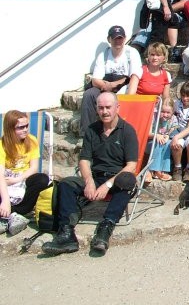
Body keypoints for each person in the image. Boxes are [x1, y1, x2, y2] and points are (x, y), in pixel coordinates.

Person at [42, 92, 138, 256]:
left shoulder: (127, 131)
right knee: (66, 184)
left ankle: (105, 227)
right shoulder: (92, 130)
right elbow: (84, 160)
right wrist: (89, 181)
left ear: (117, 108)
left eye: (108, 107)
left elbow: (131, 165)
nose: (105, 111)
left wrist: (107, 185)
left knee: (128, 180)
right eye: (101, 108)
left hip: (117, 179)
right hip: (96, 176)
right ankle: (67, 232)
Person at [80, 26, 141, 134]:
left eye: (120, 38)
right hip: (105, 86)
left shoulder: (132, 53)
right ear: (109, 39)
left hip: (124, 86)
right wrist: (107, 86)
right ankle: (86, 133)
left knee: (119, 98)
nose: (118, 41)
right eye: (115, 38)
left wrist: (128, 97)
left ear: (125, 38)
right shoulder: (103, 55)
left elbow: (134, 77)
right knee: (89, 94)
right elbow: (95, 80)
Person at [0, 110, 50, 236]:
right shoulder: (2, 145)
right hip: (5, 181)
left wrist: (17, 179)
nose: (26, 129)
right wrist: (5, 200)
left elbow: (34, 168)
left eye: (27, 126)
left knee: (42, 179)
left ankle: (9, 215)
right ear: (10, 129)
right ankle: (12, 216)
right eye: (21, 127)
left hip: (22, 180)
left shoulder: (32, 140)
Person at [171, 81, 189, 182]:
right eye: (183, 95)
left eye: (188, 96)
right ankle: (177, 168)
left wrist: (176, 137)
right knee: (177, 144)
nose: (185, 98)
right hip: (178, 131)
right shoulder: (177, 104)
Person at [148, 97, 177, 181]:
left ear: (172, 112)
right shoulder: (153, 116)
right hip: (150, 142)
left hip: (163, 142)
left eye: (168, 112)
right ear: (158, 109)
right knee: (159, 142)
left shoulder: (173, 119)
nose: (165, 115)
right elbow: (147, 133)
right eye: (162, 112)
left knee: (167, 143)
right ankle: (152, 170)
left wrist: (167, 135)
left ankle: (163, 169)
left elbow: (173, 130)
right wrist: (156, 135)